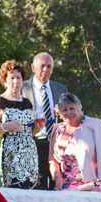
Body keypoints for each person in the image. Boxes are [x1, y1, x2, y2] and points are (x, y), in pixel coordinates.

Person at [0, 59, 42, 188]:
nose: (15, 82)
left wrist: (37, 128)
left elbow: (29, 133)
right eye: (11, 78)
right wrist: (6, 126)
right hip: (11, 157)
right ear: (4, 81)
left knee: (31, 190)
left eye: (18, 78)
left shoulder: (27, 103)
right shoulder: (0, 102)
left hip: (30, 155)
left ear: (22, 80)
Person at [22, 52, 66, 190]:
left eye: (49, 66)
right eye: (42, 66)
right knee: (37, 186)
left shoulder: (61, 89)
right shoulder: (22, 88)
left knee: (57, 187)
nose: (46, 70)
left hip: (56, 144)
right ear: (33, 67)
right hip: (33, 143)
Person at [49, 92, 101, 192]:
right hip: (65, 186)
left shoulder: (95, 125)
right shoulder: (58, 129)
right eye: (64, 110)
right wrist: (57, 176)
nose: (68, 113)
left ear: (79, 107)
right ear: (59, 113)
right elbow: (52, 160)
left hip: (90, 185)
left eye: (72, 108)